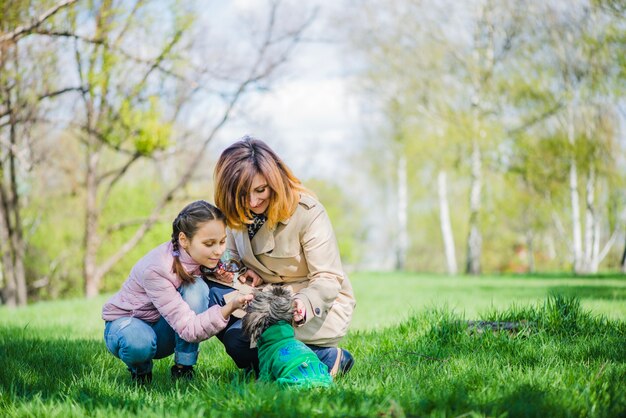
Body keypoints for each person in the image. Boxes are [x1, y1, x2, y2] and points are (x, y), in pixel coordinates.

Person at [209, 136, 356, 377]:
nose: (253, 201)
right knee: (211, 297)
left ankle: (324, 358)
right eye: (243, 194)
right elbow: (232, 260)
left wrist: (305, 303)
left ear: (274, 181)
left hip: (306, 306)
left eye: (260, 190)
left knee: (240, 340)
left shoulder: (308, 212)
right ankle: (300, 358)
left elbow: (328, 277)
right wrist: (241, 273)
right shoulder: (237, 216)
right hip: (260, 299)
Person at [101, 200, 252, 383]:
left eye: (222, 241)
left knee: (196, 287)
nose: (218, 250)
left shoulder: (201, 257)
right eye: (209, 243)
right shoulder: (157, 268)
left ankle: (183, 369)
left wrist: (238, 273)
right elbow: (189, 329)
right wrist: (229, 307)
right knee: (139, 341)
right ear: (183, 240)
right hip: (128, 325)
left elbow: (227, 264)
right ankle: (140, 372)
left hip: (163, 324)